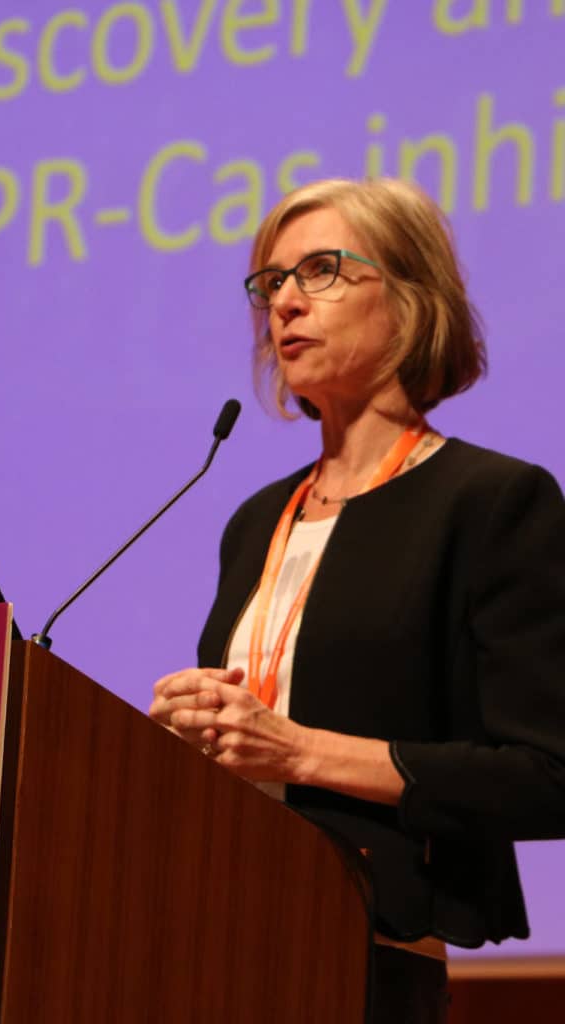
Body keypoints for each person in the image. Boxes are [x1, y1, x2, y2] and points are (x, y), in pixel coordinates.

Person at [148, 177, 565, 1023]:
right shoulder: (256, 520)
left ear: (410, 300)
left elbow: (547, 776)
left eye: (321, 270)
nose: (285, 302)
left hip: (365, 949)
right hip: (215, 937)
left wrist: (298, 752)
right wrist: (188, 741)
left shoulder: (491, 503)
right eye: (272, 282)